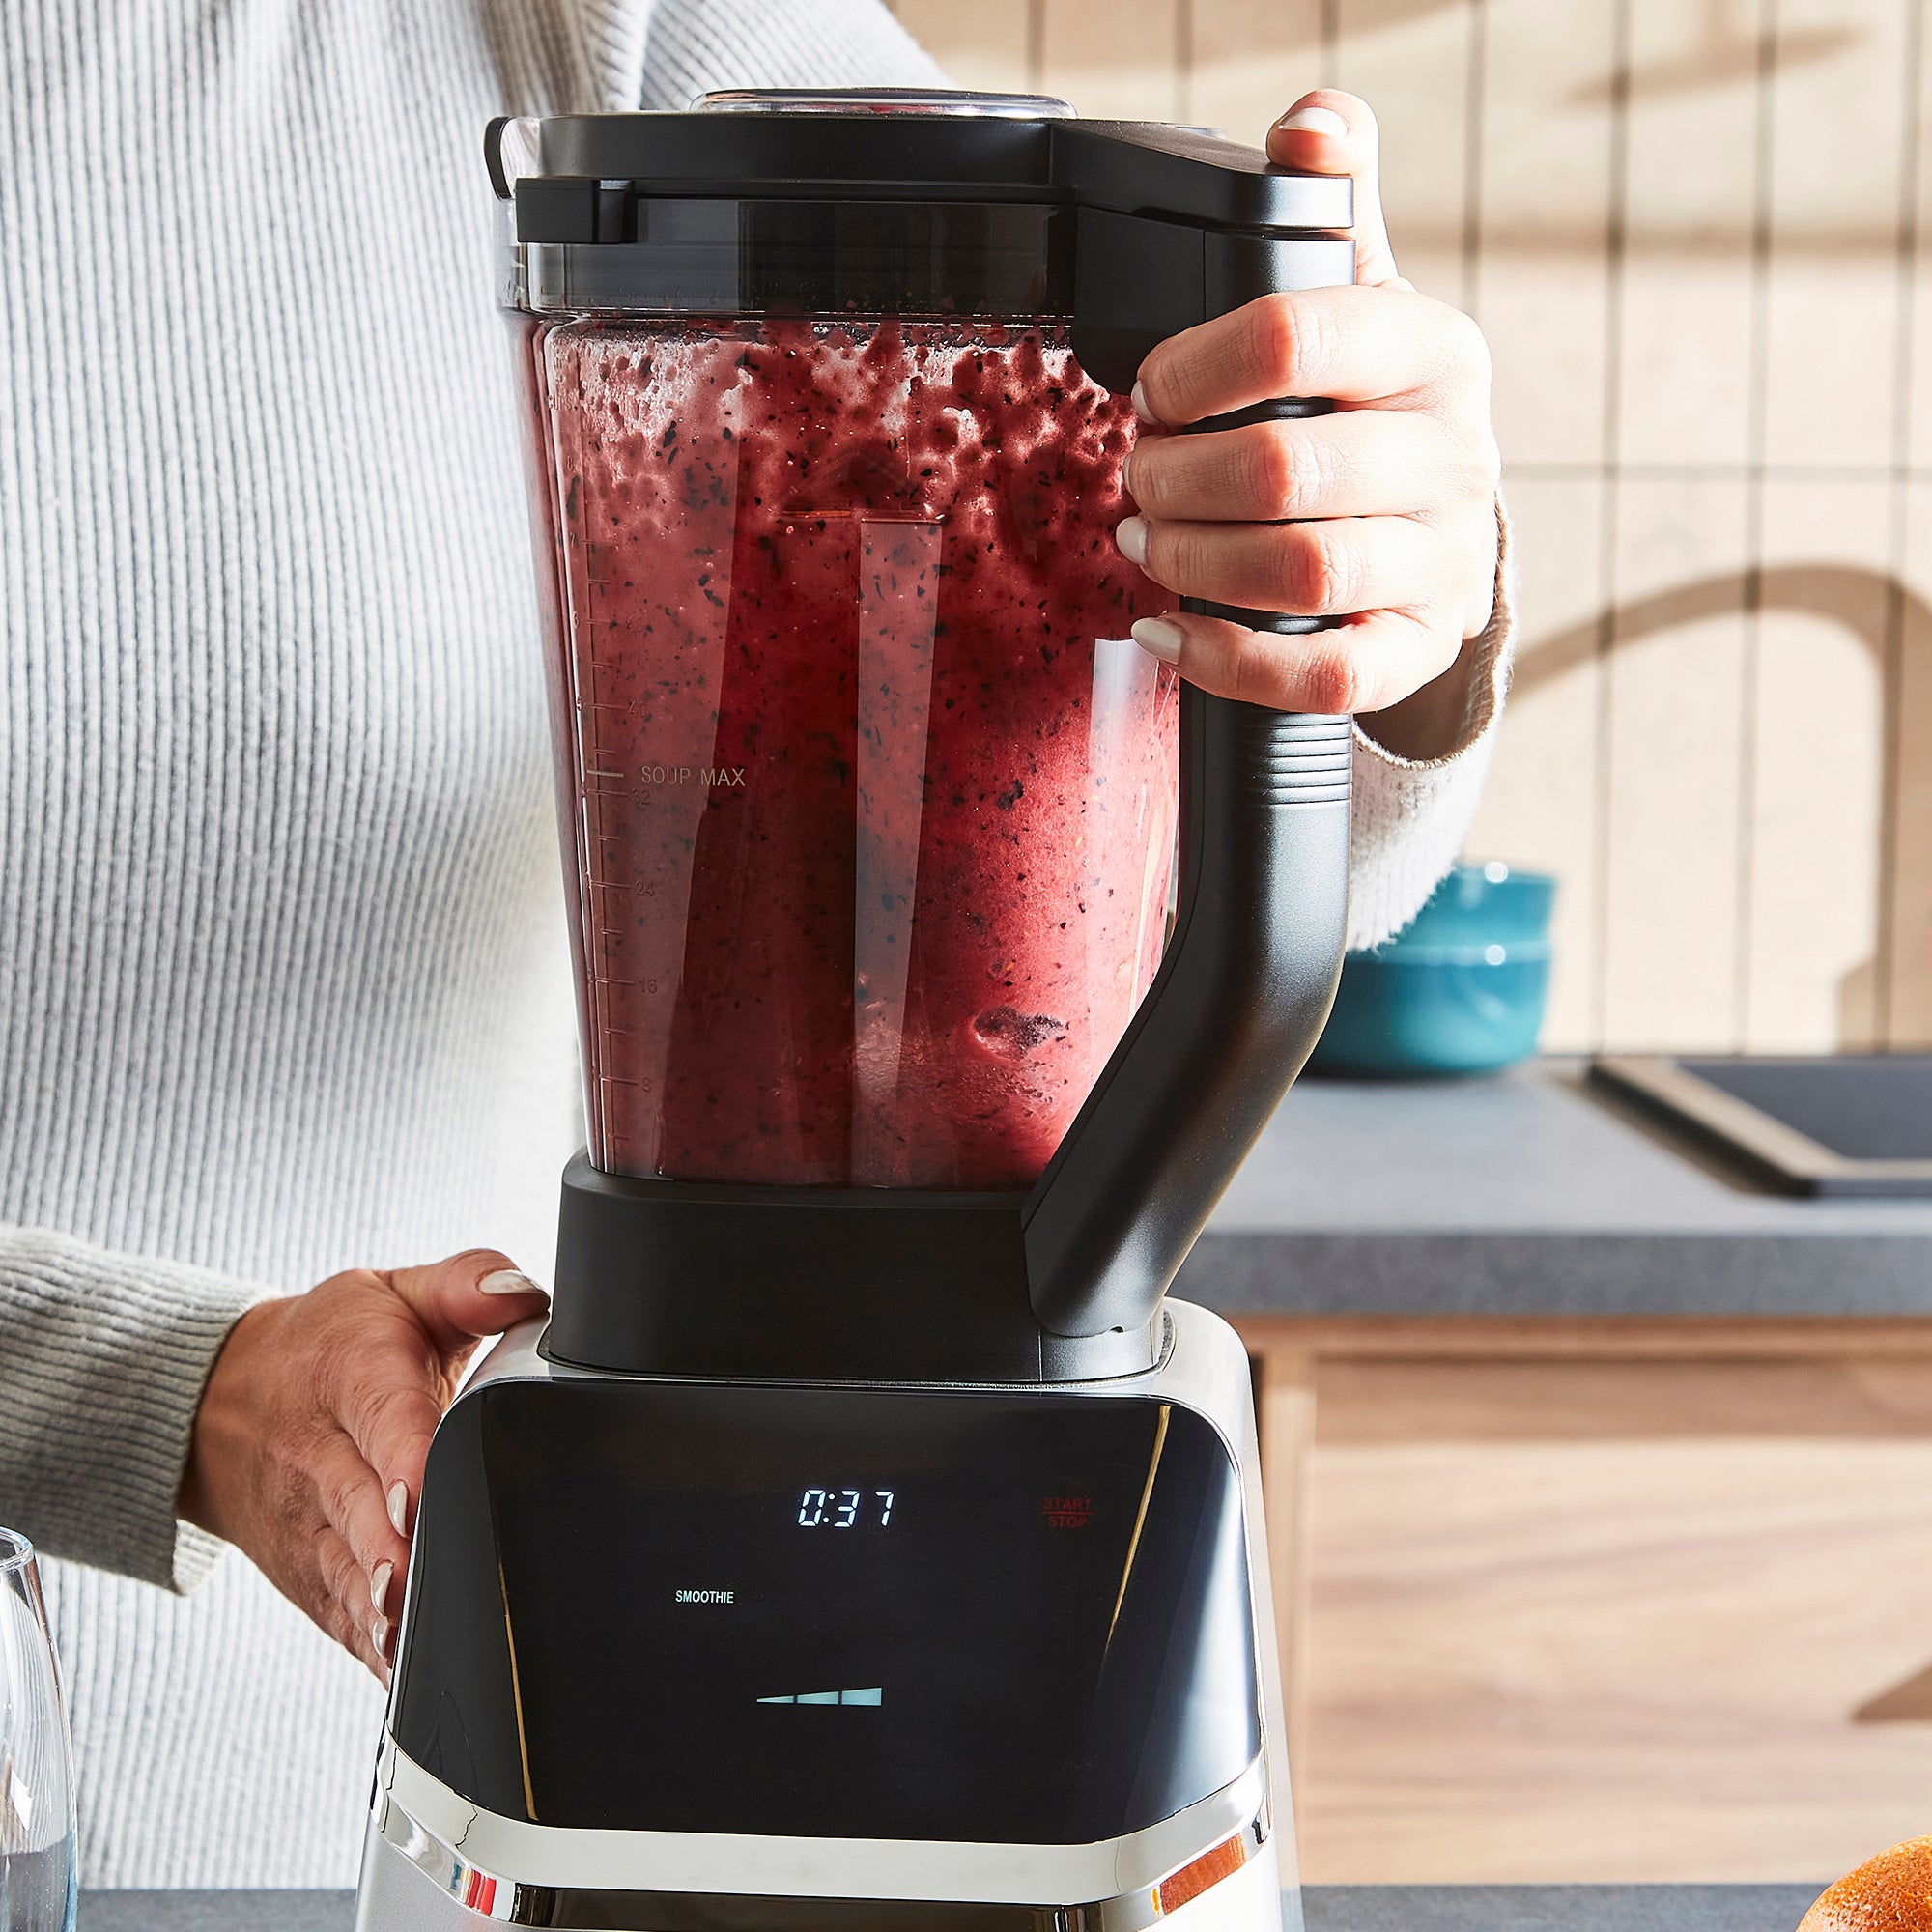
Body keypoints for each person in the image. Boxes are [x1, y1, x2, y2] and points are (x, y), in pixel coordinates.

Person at [0, 0, 1510, 1889]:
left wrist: (1364, 547)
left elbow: (1201, 647)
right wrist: (157, 1390)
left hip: (464, 1795)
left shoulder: (583, 32)